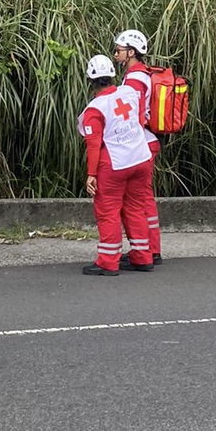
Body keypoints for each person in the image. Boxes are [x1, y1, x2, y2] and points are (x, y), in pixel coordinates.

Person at [77, 54, 154, 276]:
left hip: (115, 165)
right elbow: (140, 120)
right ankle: (142, 256)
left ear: (90, 80)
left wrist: (91, 174)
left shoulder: (95, 109)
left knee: (108, 211)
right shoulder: (129, 92)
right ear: (112, 75)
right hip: (140, 158)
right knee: (136, 208)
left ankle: (108, 261)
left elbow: (93, 145)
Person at [113, 28, 164, 266]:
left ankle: (146, 250)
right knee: (144, 198)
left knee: (137, 201)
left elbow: (131, 115)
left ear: (131, 52)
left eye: (120, 50)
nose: (116, 54)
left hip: (141, 144)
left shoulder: (134, 78)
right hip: (147, 141)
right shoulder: (140, 74)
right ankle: (151, 248)